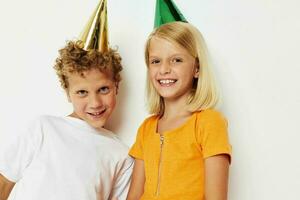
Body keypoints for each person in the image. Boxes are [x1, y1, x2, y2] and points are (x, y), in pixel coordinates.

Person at [0, 40, 133, 200]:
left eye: (103, 89)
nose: (95, 103)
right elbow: (4, 181)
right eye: (82, 92)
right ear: (68, 93)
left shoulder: (121, 154)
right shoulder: (43, 128)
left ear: (116, 86)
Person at [126, 21, 232, 200]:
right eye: (156, 61)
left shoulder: (209, 123)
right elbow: (135, 194)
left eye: (176, 60)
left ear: (197, 68)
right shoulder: (146, 128)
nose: (164, 69)